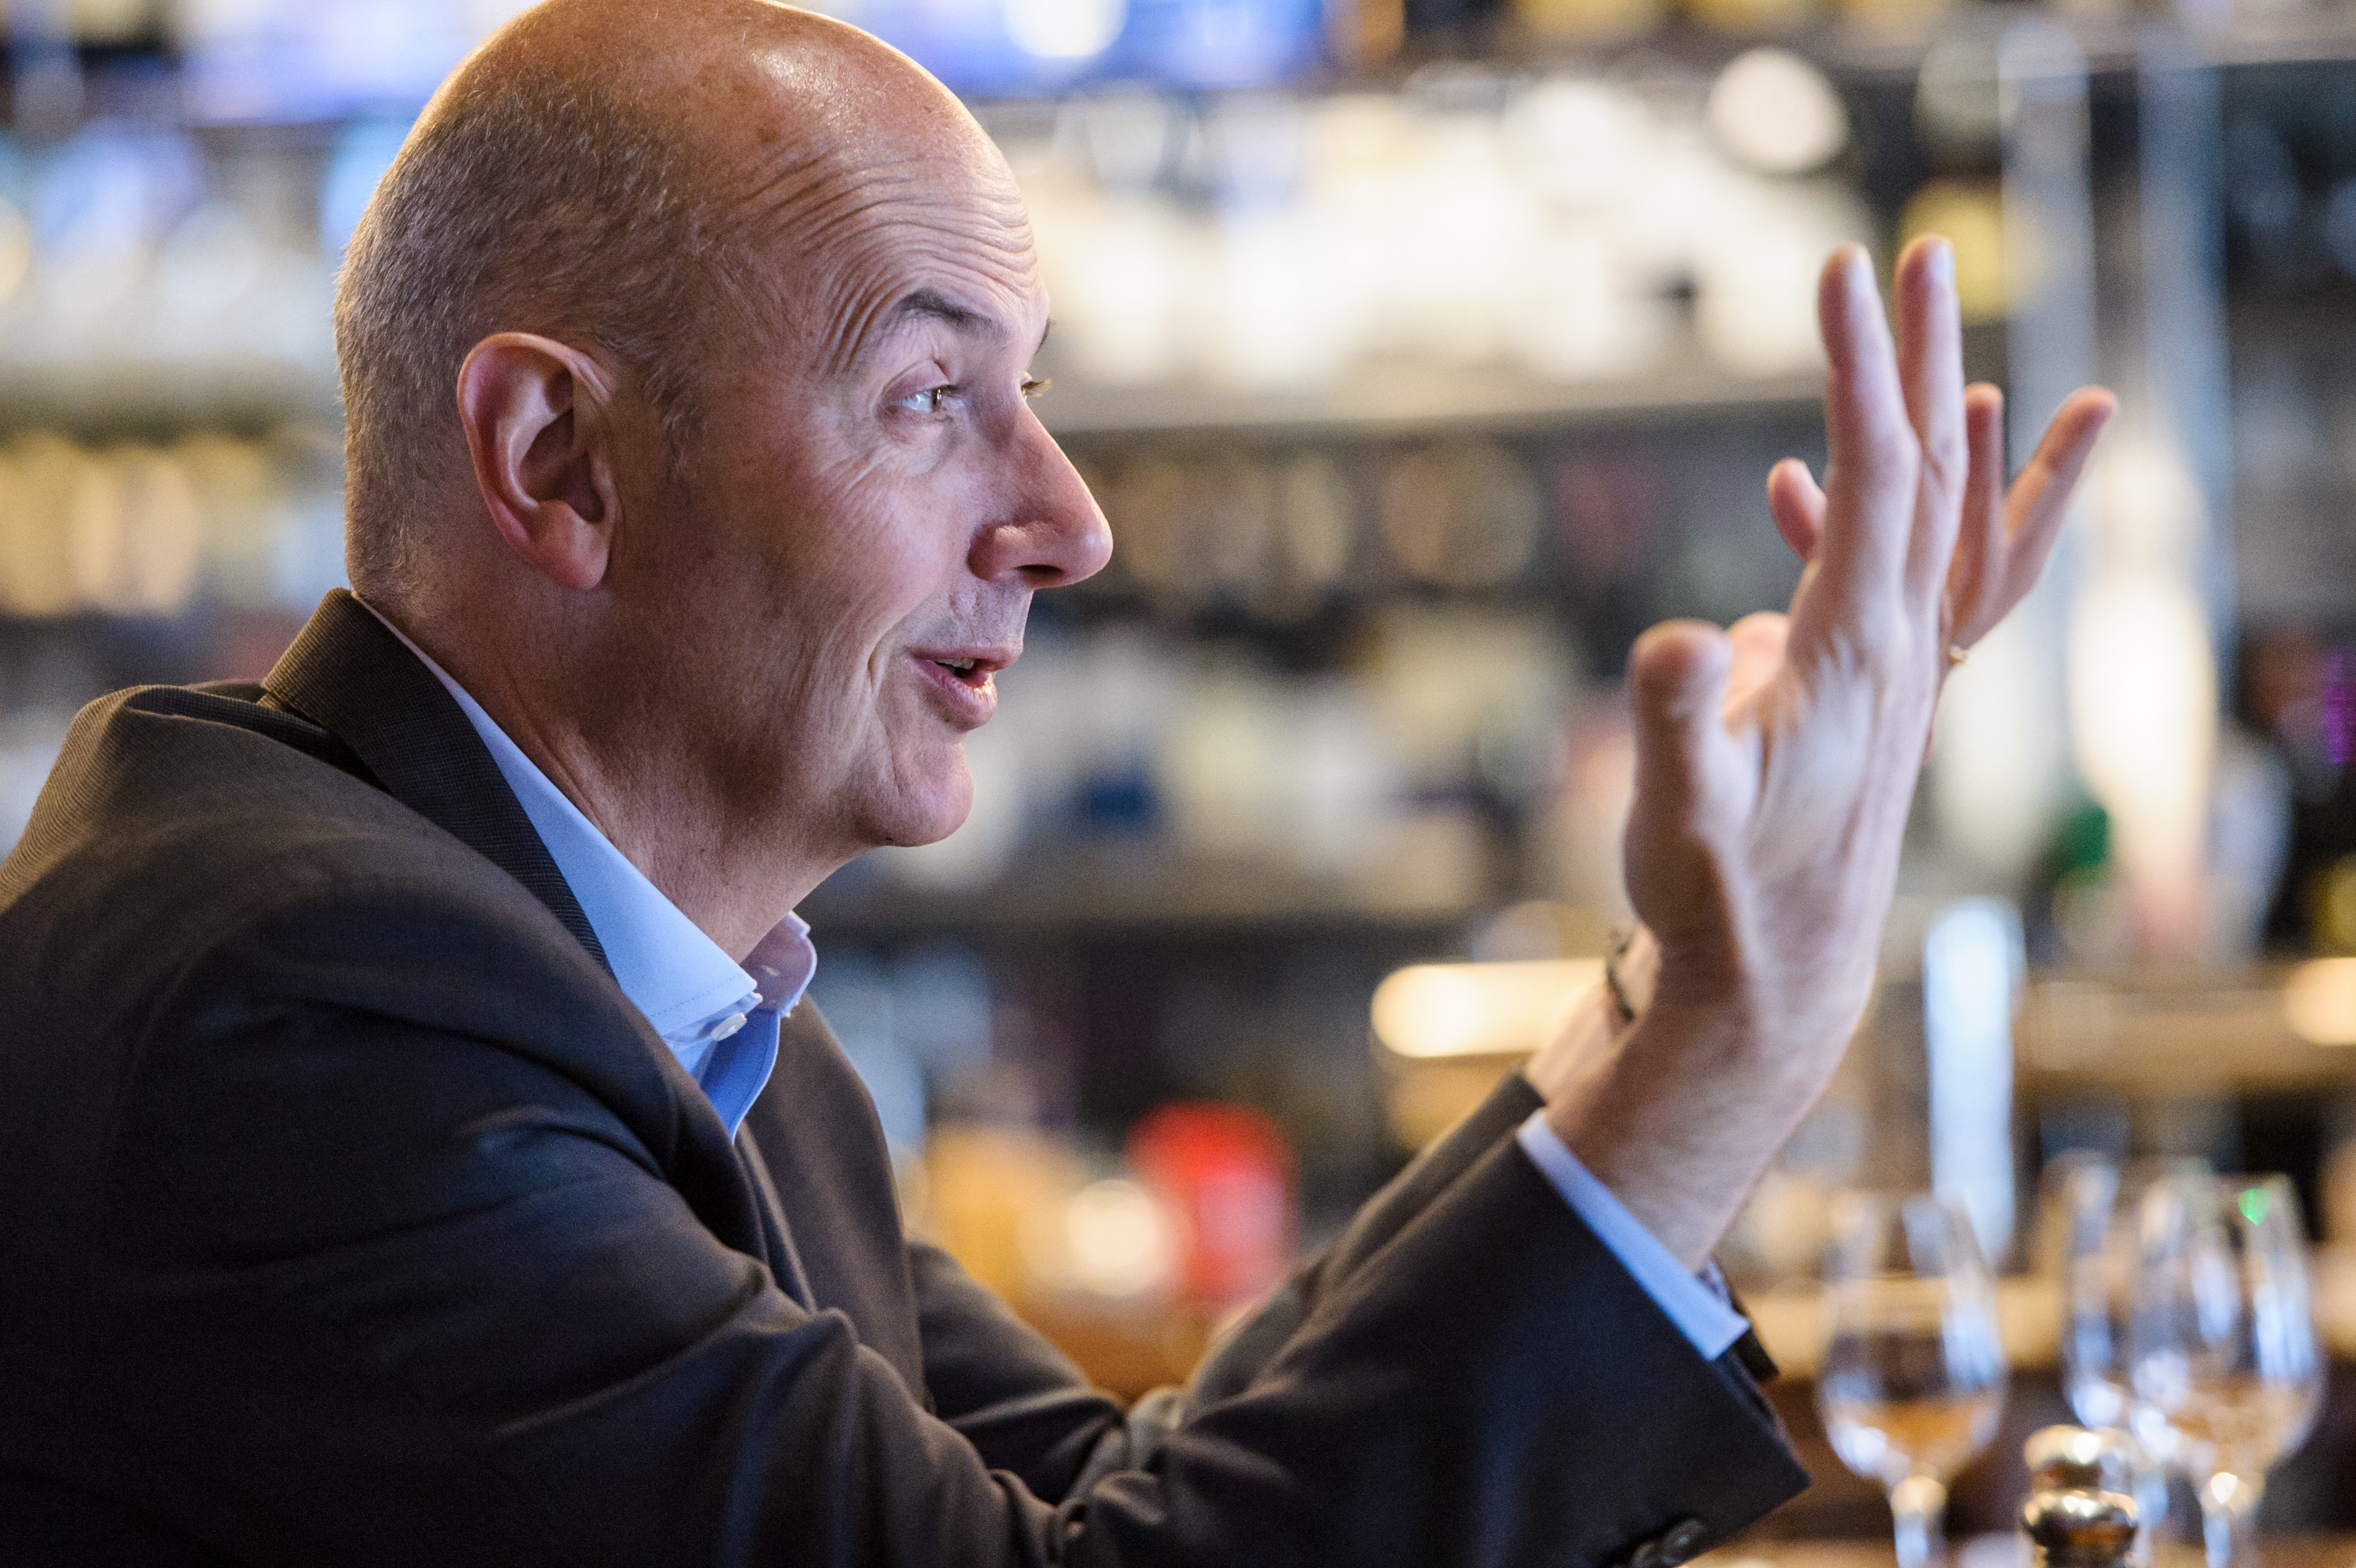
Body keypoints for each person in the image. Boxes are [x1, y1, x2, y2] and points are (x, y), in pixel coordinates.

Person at [0, 2, 2113, 1563]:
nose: (1072, 521)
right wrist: (1730, 1051)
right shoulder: (295, 1010)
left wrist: (1665, 1000)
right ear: (557, 460)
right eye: (930, 393)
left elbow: (1117, 1498)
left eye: (1034, 395)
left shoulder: (669, 1008)